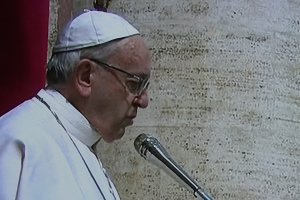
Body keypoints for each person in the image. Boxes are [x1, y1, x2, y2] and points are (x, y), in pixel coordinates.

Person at [0, 10, 151, 200]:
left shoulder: (83, 145)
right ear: (85, 76)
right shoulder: (16, 139)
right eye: (135, 83)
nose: (143, 101)